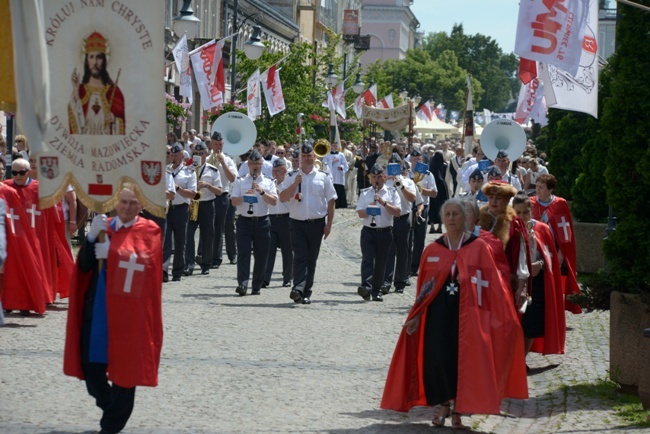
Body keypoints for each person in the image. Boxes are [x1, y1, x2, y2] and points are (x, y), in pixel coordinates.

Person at [381, 198, 528, 427]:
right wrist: (416, 316)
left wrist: (469, 278)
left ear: (465, 218)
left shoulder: (479, 248)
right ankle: (443, 404)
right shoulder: (432, 250)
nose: (451, 218)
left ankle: (460, 408)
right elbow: (424, 290)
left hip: (468, 314)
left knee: (464, 359)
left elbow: (492, 282)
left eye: (456, 214)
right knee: (438, 359)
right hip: (438, 314)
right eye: (447, 214)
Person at [63, 185, 163, 434]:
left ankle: (111, 425)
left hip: (129, 313)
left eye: (133, 203)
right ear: (116, 202)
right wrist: (88, 239)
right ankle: (111, 407)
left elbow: (147, 263)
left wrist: (114, 254)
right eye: (124, 202)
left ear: (141, 205)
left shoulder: (149, 230)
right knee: (91, 367)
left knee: (125, 369)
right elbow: (85, 267)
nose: (127, 208)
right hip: (97, 308)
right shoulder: (103, 227)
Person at [279, 143, 337, 305]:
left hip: (316, 223)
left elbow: (331, 200)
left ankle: (306, 292)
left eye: (309, 155)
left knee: (311, 259)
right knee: (299, 256)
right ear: (299, 158)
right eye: (303, 156)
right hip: (296, 223)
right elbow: (283, 198)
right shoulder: (292, 176)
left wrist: (329, 224)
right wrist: (294, 184)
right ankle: (297, 288)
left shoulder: (323, 176)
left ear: (314, 156)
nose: (307, 158)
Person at [513, 193, 566, 358]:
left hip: (535, 283)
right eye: (518, 212)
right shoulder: (509, 230)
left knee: (530, 325)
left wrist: (541, 265)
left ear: (531, 210)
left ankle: (521, 360)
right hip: (515, 282)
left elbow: (551, 256)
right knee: (515, 323)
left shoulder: (541, 229)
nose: (522, 216)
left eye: (525, 212)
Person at [531, 174, 581, 314]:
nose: (538, 190)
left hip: (555, 251)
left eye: (541, 187)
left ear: (550, 189)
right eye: (536, 186)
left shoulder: (560, 204)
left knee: (555, 287)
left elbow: (566, 234)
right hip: (536, 251)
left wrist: (560, 256)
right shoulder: (531, 203)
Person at [478, 181, 532, 310]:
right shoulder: (477, 220)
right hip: (479, 280)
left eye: (498, 198)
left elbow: (521, 256)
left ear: (507, 200)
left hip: (504, 282)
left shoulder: (514, 223)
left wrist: (522, 286)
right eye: (491, 197)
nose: (494, 201)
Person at [230, 150, 277, 296]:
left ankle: (256, 285)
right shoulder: (240, 180)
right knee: (243, 253)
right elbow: (233, 201)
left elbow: (274, 202)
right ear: (248, 165)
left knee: (261, 255)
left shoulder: (268, 182)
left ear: (262, 165)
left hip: (262, 221)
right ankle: (242, 284)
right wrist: (245, 196)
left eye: (257, 163)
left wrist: (262, 192)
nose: (255, 166)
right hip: (244, 221)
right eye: (252, 164)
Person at [356, 164, 401, 302]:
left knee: (381, 262)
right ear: (370, 178)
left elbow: (398, 212)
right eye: (374, 177)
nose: (376, 180)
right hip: (368, 231)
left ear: (384, 177)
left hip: (385, 231)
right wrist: (370, 208)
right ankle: (366, 287)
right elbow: (360, 214)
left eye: (379, 177)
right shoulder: (365, 193)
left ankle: (377, 291)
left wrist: (384, 203)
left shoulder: (392, 192)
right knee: (367, 260)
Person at [69, 32, 125, 135]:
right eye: (91, 57)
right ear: (86, 61)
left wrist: (114, 119)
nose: (95, 62)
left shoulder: (114, 91)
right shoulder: (80, 90)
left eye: (99, 57)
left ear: (104, 60)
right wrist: (76, 95)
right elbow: (77, 126)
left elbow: (123, 121)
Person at [184, 142, 222, 276]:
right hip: (192, 204)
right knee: (188, 234)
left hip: (207, 204)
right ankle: (189, 264)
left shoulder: (213, 170)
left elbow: (219, 191)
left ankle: (206, 264)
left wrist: (207, 185)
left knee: (207, 235)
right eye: (196, 154)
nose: (198, 156)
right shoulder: (188, 169)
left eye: (201, 153)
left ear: (206, 154)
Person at [383, 160, 418, 294]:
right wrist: (386, 180)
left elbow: (412, 198)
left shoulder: (408, 182)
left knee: (403, 252)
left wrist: (401, 186)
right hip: (389, 220)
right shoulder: (385, 182)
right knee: (388, 252)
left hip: (403, 219)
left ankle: (400, 282)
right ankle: (386, 281)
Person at [164, 144, 197, 282]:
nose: (174, 158)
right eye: (172, 155)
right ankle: (163, 270)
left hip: (181, 208)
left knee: (180, 240)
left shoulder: (189, 172)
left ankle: (177, 271)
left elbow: (192, 194)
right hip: (166, 209)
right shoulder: (165, 170)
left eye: (177, 155)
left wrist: (176, 188)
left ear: (183, 157)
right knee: (165, 241)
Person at [206, 131, 238, 268]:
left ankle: (222, 256)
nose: (218, 147)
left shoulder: (229, 160)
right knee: (209, 227)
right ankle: (207, 255)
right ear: (211, 144)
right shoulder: (206, 159)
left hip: (222, 195)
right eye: (216, 144)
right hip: (207, 196)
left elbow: (232, 178)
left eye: (220, 144)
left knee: (223, 227)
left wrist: (223, 163)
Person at [263, 159, 292, 288]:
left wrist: (281, 194)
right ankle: (265, 278)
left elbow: (293, 203)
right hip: (272, 218)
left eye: (279, 170)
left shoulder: (289, 184)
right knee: (269, 250)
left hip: (286, 218)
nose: (276, 173)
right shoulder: (269, 183)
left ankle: (287, 277)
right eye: (274, 170)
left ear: (285, 170)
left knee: (287, 250)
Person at [408, 149, 438, 276]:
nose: (416, 161)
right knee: (407, 238)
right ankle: (405, 264)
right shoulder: (406, 173)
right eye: (414, 159)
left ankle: (414, 267)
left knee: (419, 239)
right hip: (408, 207)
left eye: (419, 159)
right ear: (410, 160)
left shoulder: (428, 174)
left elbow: (434, 193)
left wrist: (421, 189)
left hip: (423, 207)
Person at [322, 141, 349, 209]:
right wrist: (331, 162)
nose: (334, 147)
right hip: (331, 174)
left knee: (339, 188)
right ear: (331, 146)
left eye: (336, 145)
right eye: (333, 145)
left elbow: (345, 165)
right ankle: (331, 204)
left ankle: (340, 204)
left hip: (338, 174)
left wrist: (341, 167)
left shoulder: (341, 154)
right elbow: (324, 164)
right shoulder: (327, 155)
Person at [428, 151, 449, 233]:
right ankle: (440, 226)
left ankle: (432, 226)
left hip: (433, 186)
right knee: (441, 206)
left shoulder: (431, 165)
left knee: (432, 206)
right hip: (442, 186)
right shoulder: (444, 165)